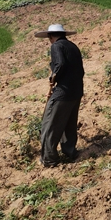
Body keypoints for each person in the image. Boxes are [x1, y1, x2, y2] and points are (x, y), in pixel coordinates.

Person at [35, 24, 85, 168]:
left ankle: (49, 159)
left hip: (63, 93)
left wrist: (53, 79)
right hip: (76, 91)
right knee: (69, 123)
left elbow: (60, 65)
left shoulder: (56, 46)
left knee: (49, 125)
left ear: (51, 36)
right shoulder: (73, 46)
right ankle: (70, 152)